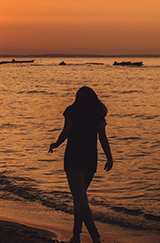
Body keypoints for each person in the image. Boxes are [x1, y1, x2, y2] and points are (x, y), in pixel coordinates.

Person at [48, 86, 113, 243]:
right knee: (79, 198)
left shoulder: (72, 111)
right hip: (90, 160)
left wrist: (56, 144)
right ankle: (76, 236)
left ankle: (95, 238)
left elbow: (66, 131)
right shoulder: (98, 114)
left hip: (73, 159)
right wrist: (109, 158)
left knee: (80, 200)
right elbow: (103, 137)